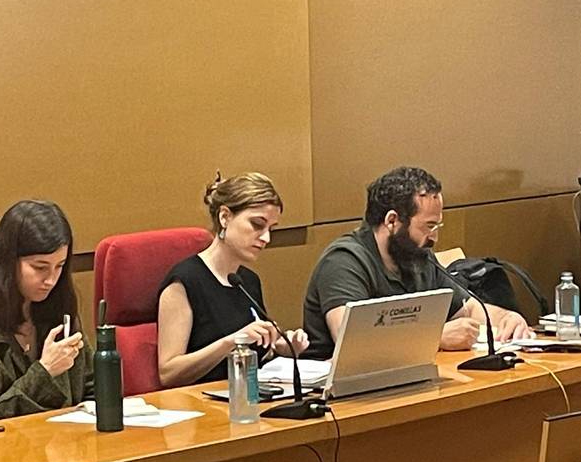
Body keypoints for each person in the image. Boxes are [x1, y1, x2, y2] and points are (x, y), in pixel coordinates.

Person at [302, 166, 533, 360]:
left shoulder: (417, 256)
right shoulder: (343, 261)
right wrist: (437, 337)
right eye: (429, 226)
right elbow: (351, 342)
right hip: (338, 400)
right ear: (392, 221)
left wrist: (506, 319)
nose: (434, 238)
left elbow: (468, 308)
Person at [0, 200, 93, 423]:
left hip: (66, 449)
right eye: (40, 267)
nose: (51, 279)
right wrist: (44, 371)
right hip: (1, 454)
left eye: (59, 266)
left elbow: (91, 385)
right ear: (8, 261)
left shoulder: (58, 309)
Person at [157, 172, 309, 388]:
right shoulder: (184, 282)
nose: (266, 238)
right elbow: (168, 372)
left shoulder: (247, 281)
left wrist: (279, 348)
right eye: (257, 224)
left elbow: (254, 357)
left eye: (271, 229)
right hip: (200, 406)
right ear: (225, 217)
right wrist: (231, 342)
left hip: (247, 397)